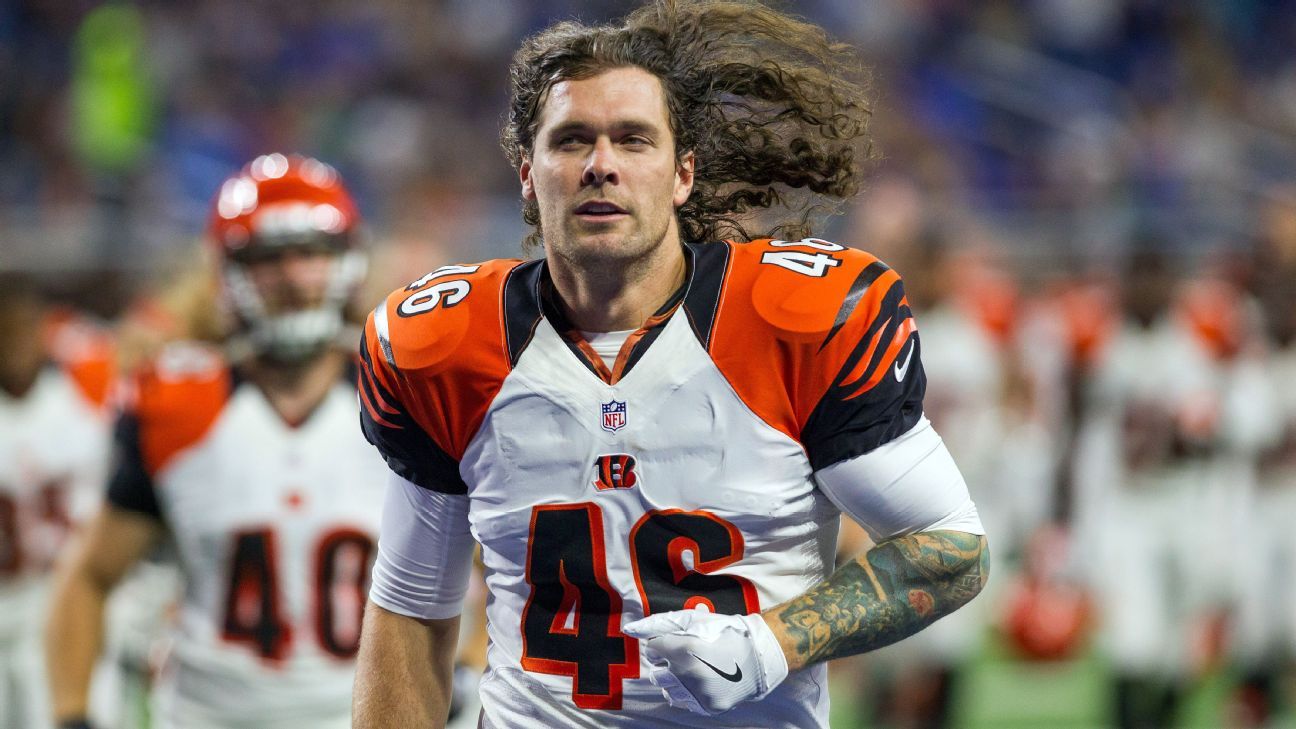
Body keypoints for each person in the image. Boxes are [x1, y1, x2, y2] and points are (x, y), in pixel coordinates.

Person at [352, 2, 988, 727]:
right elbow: (409, 610)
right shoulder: (453, 346)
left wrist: (770, 645)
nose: (601, 165)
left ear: (683, 173)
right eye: (571, 141)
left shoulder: (791, 323)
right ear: (527, 176)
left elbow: (949, 546)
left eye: (633, 140)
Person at [46, 154, 387, 729]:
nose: (293, 277)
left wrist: (460, 667)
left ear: (345, 262)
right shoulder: (179, 405)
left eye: (310, 253)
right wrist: (72, 716)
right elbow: (89, 576)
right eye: (268, 258)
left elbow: (483, 567)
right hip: (210, 715)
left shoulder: (403, 400)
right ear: (229, 274)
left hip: (362, 714)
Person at [0, 277, 114, 729]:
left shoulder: (79, 397)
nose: (17, 344)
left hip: (59, 599)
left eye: (25, 329)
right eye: (6, 332)